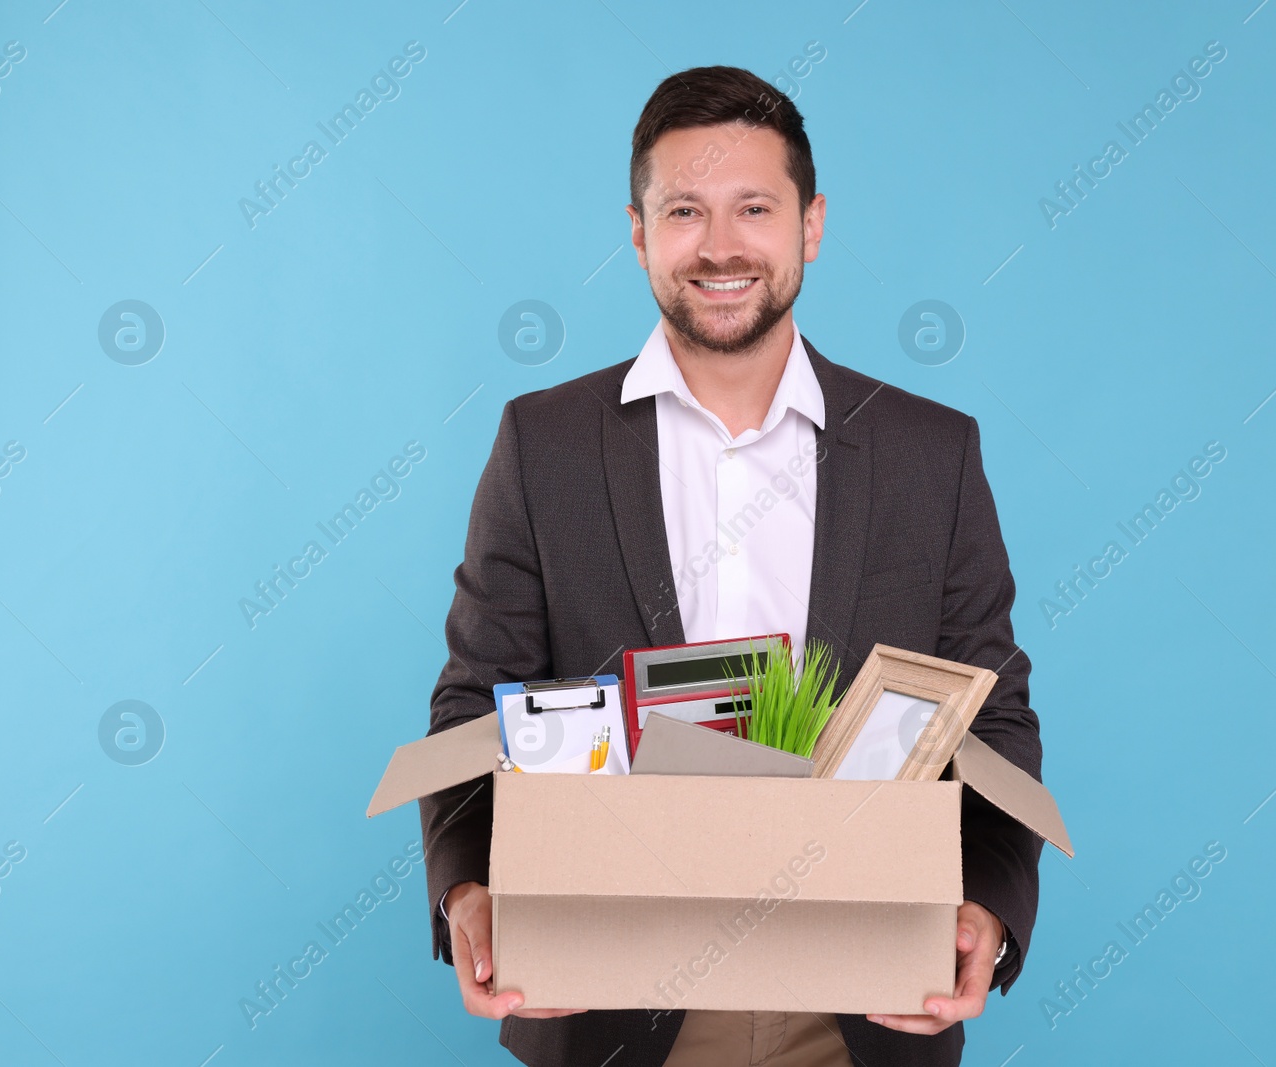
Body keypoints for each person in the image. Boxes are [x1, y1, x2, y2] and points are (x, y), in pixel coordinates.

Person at [419, 65, 1044, 1067]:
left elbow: (994, 717)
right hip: (613, 1005)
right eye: (683, 211)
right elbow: (471, 707)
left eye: (753, 207)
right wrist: (466, 890)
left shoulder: (932, 454)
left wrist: (990, 904)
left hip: (865, 999)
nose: (718, 246)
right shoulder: (545, 445)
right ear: (637, 231)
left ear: (811, 223)